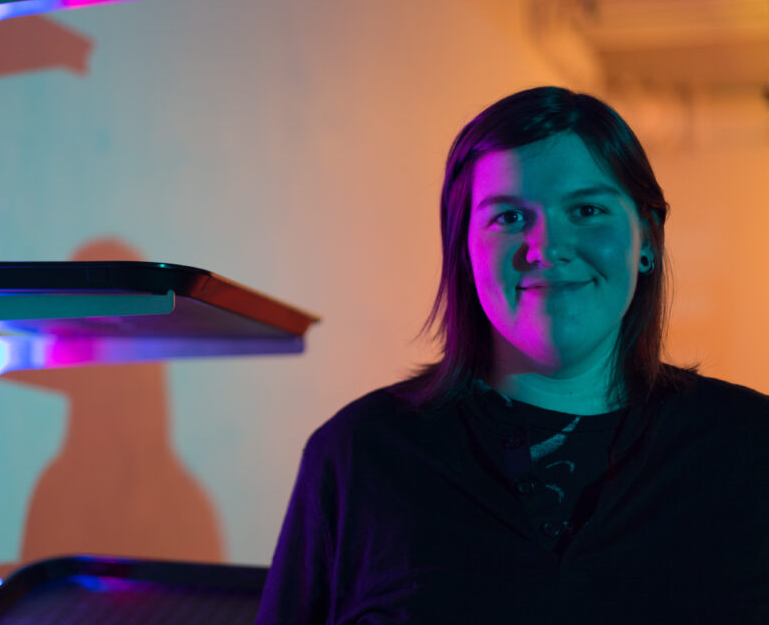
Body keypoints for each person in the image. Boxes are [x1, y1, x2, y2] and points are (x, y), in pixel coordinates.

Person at [255, 87, 769, 623]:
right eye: (509, 218)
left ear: (647, 239)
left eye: (588, 209)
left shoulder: (751, 445)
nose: (546, 248)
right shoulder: (360, 452)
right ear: (463, 248)